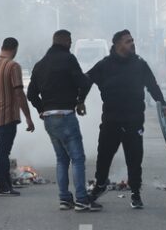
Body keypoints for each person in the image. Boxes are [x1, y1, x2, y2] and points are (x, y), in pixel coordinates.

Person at [86, 30, 166, 209]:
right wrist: (78, 100)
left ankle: (136, 193)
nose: (132, 43)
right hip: (111, 120)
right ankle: (100, 185)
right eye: (127, 41)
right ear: (117, 45)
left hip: (134, 120)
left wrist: (162, 103)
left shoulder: (139, 64)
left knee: (134, 158)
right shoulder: (104, 65)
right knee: (104, 156)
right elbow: (86, 80)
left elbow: (152, 85)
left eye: (132, 40)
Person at [27, 30, 102, 212]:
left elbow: (31, 94)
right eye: (70, 41)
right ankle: (82, 199)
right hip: (66, 115)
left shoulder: (40, 64)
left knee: (61, 159)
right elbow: (83, 83)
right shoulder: (69, 59)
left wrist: (41, 109)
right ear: (66, 41)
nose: (70, 44)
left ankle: (64, 199)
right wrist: (80, 100)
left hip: (49, 118)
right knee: (77, 158)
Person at [0, 37, 35, 197]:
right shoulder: (13, 66)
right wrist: (28, 117)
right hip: (8, 115)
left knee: (2, 149)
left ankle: (6, 184)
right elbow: (18, 92)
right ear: (14, 49)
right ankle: (1, 186)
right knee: (4, 152)